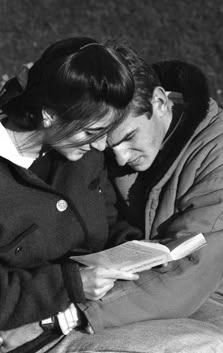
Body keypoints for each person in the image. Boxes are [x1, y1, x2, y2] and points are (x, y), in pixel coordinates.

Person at [47, 44, 223, 353]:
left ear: (160, 102)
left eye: (128, 138)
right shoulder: (105, 129)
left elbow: (187, 271)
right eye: (107, 146)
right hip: (123, 290)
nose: (119, 158)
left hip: (208, 297)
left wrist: (68, 318)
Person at [0, 37, 145, 352]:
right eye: (92, 132)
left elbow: (107, 219)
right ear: (49, 115)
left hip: (92, 313)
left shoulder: (80, 155)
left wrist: (137, 249)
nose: (102, 146)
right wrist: (70, 283)